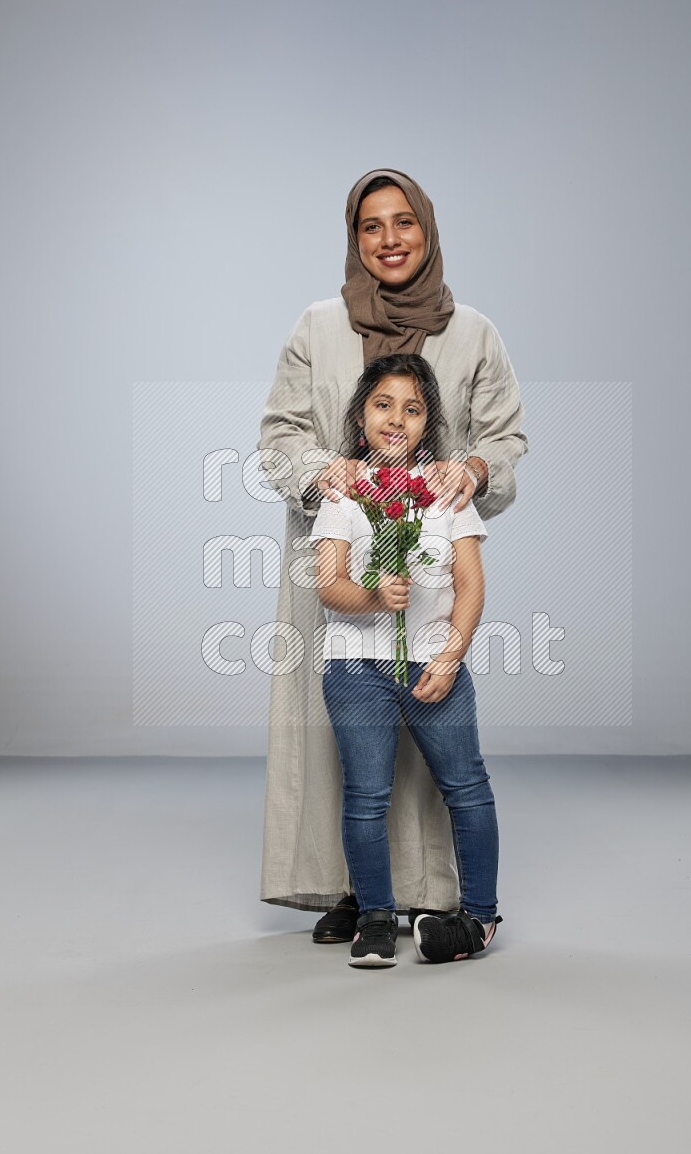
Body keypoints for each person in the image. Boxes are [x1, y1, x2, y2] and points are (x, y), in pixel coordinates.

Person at [256, 167, 528, 944]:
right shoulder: (317, 326)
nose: (388, 240)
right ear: (354, 239)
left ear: (428, 229)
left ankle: (440, 895)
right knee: (349, 743)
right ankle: (356, 891)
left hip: (435, 573)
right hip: (342, 565)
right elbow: (278, 437)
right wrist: (321, 471)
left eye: (402, 222)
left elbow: (506, 438)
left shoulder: (473, 332)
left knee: (437, 735)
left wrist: (470, 470)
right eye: (370, 226)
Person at [309, 353, 503, 967]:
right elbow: (328, 584)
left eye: (413, 409)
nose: (397, 419)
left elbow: (470, 586)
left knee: (466, 787)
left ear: (428, 423)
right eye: (383, 405)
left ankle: (480, 916)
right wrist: (371, 595)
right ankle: (373, 916)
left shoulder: (447, 495)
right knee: (366, 795)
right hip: (356, 666)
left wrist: (449, 658)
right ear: (362, 416)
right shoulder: (345, 492)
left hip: (430, 662)